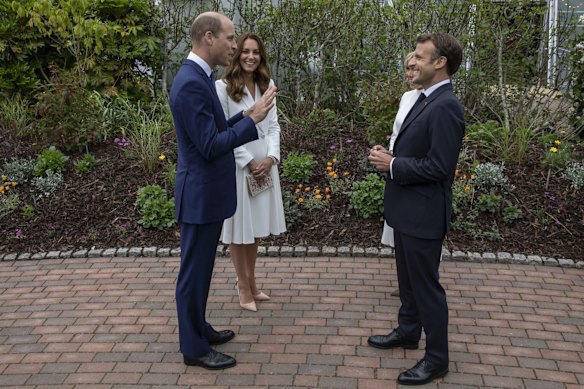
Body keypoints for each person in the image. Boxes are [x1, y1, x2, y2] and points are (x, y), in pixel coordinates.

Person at [169, 12, 277, 370]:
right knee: (193, 274)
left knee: (200, 272)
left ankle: (199, 329)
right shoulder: (190, 83)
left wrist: (249, 116)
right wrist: (252, 120)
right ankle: (194, 349)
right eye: (231, 39)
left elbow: (216, 130)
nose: (234, 46)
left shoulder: (201, 78)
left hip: (207, 194)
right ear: (210, 37)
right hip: (199, 195)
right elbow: (210, 145)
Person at [367, 32, 465, 386]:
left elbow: (440, 167)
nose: (413, 62)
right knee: (407, 283)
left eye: (421, 57)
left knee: (427, 289)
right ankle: (408, 332)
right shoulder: (423, 100)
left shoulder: (446, 106)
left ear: (440, 63)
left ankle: (437, 358)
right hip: (406, 210)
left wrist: (392, 165)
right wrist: (389, 157)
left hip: (424, 214)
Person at [216, 32, 286, 312]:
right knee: (238, 230)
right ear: (236, 54)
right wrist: (248, 161)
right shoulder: (223, 88)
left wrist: (270, 158)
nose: (250, 56)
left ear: (261, 56)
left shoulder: (266, 85)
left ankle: (252, 281)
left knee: (255, 228)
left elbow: (273, 127)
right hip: (238, 167)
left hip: (265, 168)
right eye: (245, 51)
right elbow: (223, 130)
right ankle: (241, 285)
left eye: (255, 52)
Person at [381, 51, 424, 298]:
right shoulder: (407, 97)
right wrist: (387, 154)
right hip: (397, 168)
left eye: (414, 68)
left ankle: (419, 283)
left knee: (418, 233)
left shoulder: (436, 102)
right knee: (400, 230)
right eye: (407, 68)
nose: (409, 74)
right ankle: (405, 282)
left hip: (414, 170)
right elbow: (398, 133)